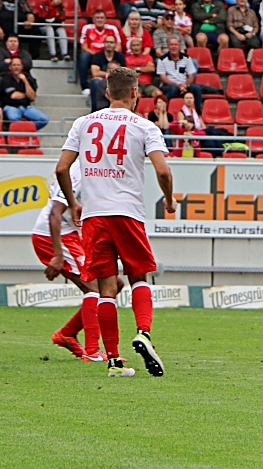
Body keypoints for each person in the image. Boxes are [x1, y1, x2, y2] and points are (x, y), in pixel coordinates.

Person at [56, 67, 175, 377]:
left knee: (106, 289)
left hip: (95, 216)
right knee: (138, 278)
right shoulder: (145, 126)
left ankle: (114, 361)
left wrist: (74, 203)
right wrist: (170, 199)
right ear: (135, 93)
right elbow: (163, 171)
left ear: (107, 93)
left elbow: (61, 169)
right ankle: (143, 333)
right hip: (127, 213)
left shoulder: (83, 123)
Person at [35, 159, 121, 363]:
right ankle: (92, 351)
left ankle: (67, 333)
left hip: (72, 234)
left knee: (113, 285)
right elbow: (54, 214)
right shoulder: (78, 173)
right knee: (95, 289)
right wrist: (58, 254)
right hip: (54, 236)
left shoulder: (98, 171)